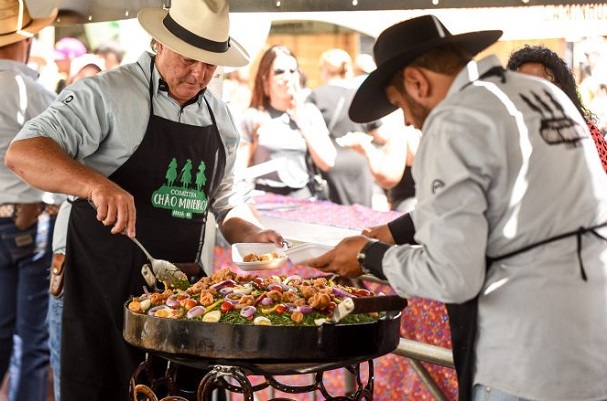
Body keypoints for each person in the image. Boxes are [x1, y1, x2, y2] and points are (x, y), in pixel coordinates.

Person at [308, 15, 607, 401]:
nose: (409, 121)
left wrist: (369, 256)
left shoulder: (453, 121)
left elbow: (452, 276)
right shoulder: (543, 95)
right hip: (594, 342)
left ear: (418, 82)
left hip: (527, 362)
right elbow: (507, 199)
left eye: (401, 105)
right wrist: (397, 232)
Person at [4, 1, 284, 400]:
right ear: (159, 43)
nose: (199, 74)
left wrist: (254, 233)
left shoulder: (221, 118)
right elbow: (24, 152)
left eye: (210, 63)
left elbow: (226, 201)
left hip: (179, 301)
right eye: (189, 60)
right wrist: (95, 184)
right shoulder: (105, 93)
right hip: (95, 289)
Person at [0, 2, 58, 401]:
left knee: (2, 330)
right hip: (29, 220)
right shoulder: (38, 95)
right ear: (26, 39)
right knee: (31, 338)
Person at [239, 45, 336, 199]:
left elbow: (327, 162)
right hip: (264, 201)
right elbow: (238, 169)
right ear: (266, 78)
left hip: (304, 200)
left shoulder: (309, 113)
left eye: (292, 71)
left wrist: (301, 120)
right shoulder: (253, 116)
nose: (287, 77)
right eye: (279, 72)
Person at [506, 44, 607, 173]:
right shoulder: (505, 138)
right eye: (522, 85)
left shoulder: (587, 137)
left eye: (542, 85)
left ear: (561, 89)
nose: (531, 94)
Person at [307, 48, 383, 207]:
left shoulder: (316, 96)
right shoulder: (361, 95)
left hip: (331, 165)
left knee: (334, 222)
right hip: (361, 164)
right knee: (363, 218)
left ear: (325, 70)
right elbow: (380, 134)